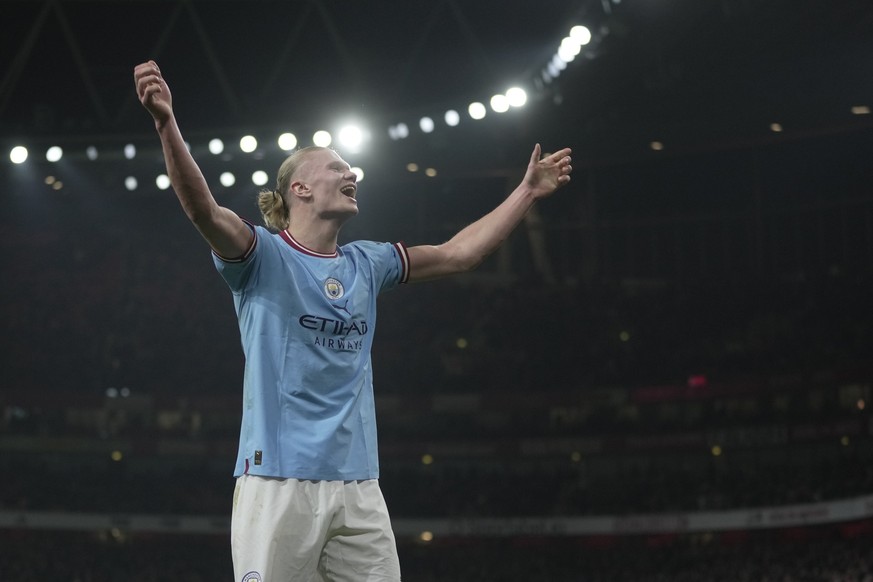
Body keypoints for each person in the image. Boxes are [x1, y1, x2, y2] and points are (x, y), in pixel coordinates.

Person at [133, 59, 572, 582]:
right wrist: (165, 122)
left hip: (359, 485)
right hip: (277, 479)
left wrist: (526, 192)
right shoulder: (261, 256)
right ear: (298, 188)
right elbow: (204, 211)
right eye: (337, 168)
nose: (352, 174)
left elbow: (458, 254)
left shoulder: (370, 262)